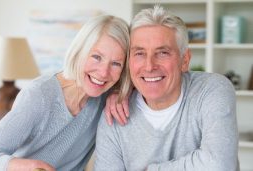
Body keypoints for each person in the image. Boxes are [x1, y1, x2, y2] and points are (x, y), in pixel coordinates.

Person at [0, 14, 130, 171]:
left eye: (116, 63)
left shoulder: (106, 96)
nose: (103, 72)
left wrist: (122, 92)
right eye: (96, 57)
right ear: (79, 51)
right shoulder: (39, 96)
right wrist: (27, 166)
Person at [94, 5, 239, 171]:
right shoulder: (114, 115)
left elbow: (219, 165)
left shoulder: (212, 90)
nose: (149, 66)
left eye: (162, 53)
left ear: (184, 60)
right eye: (139, 53)